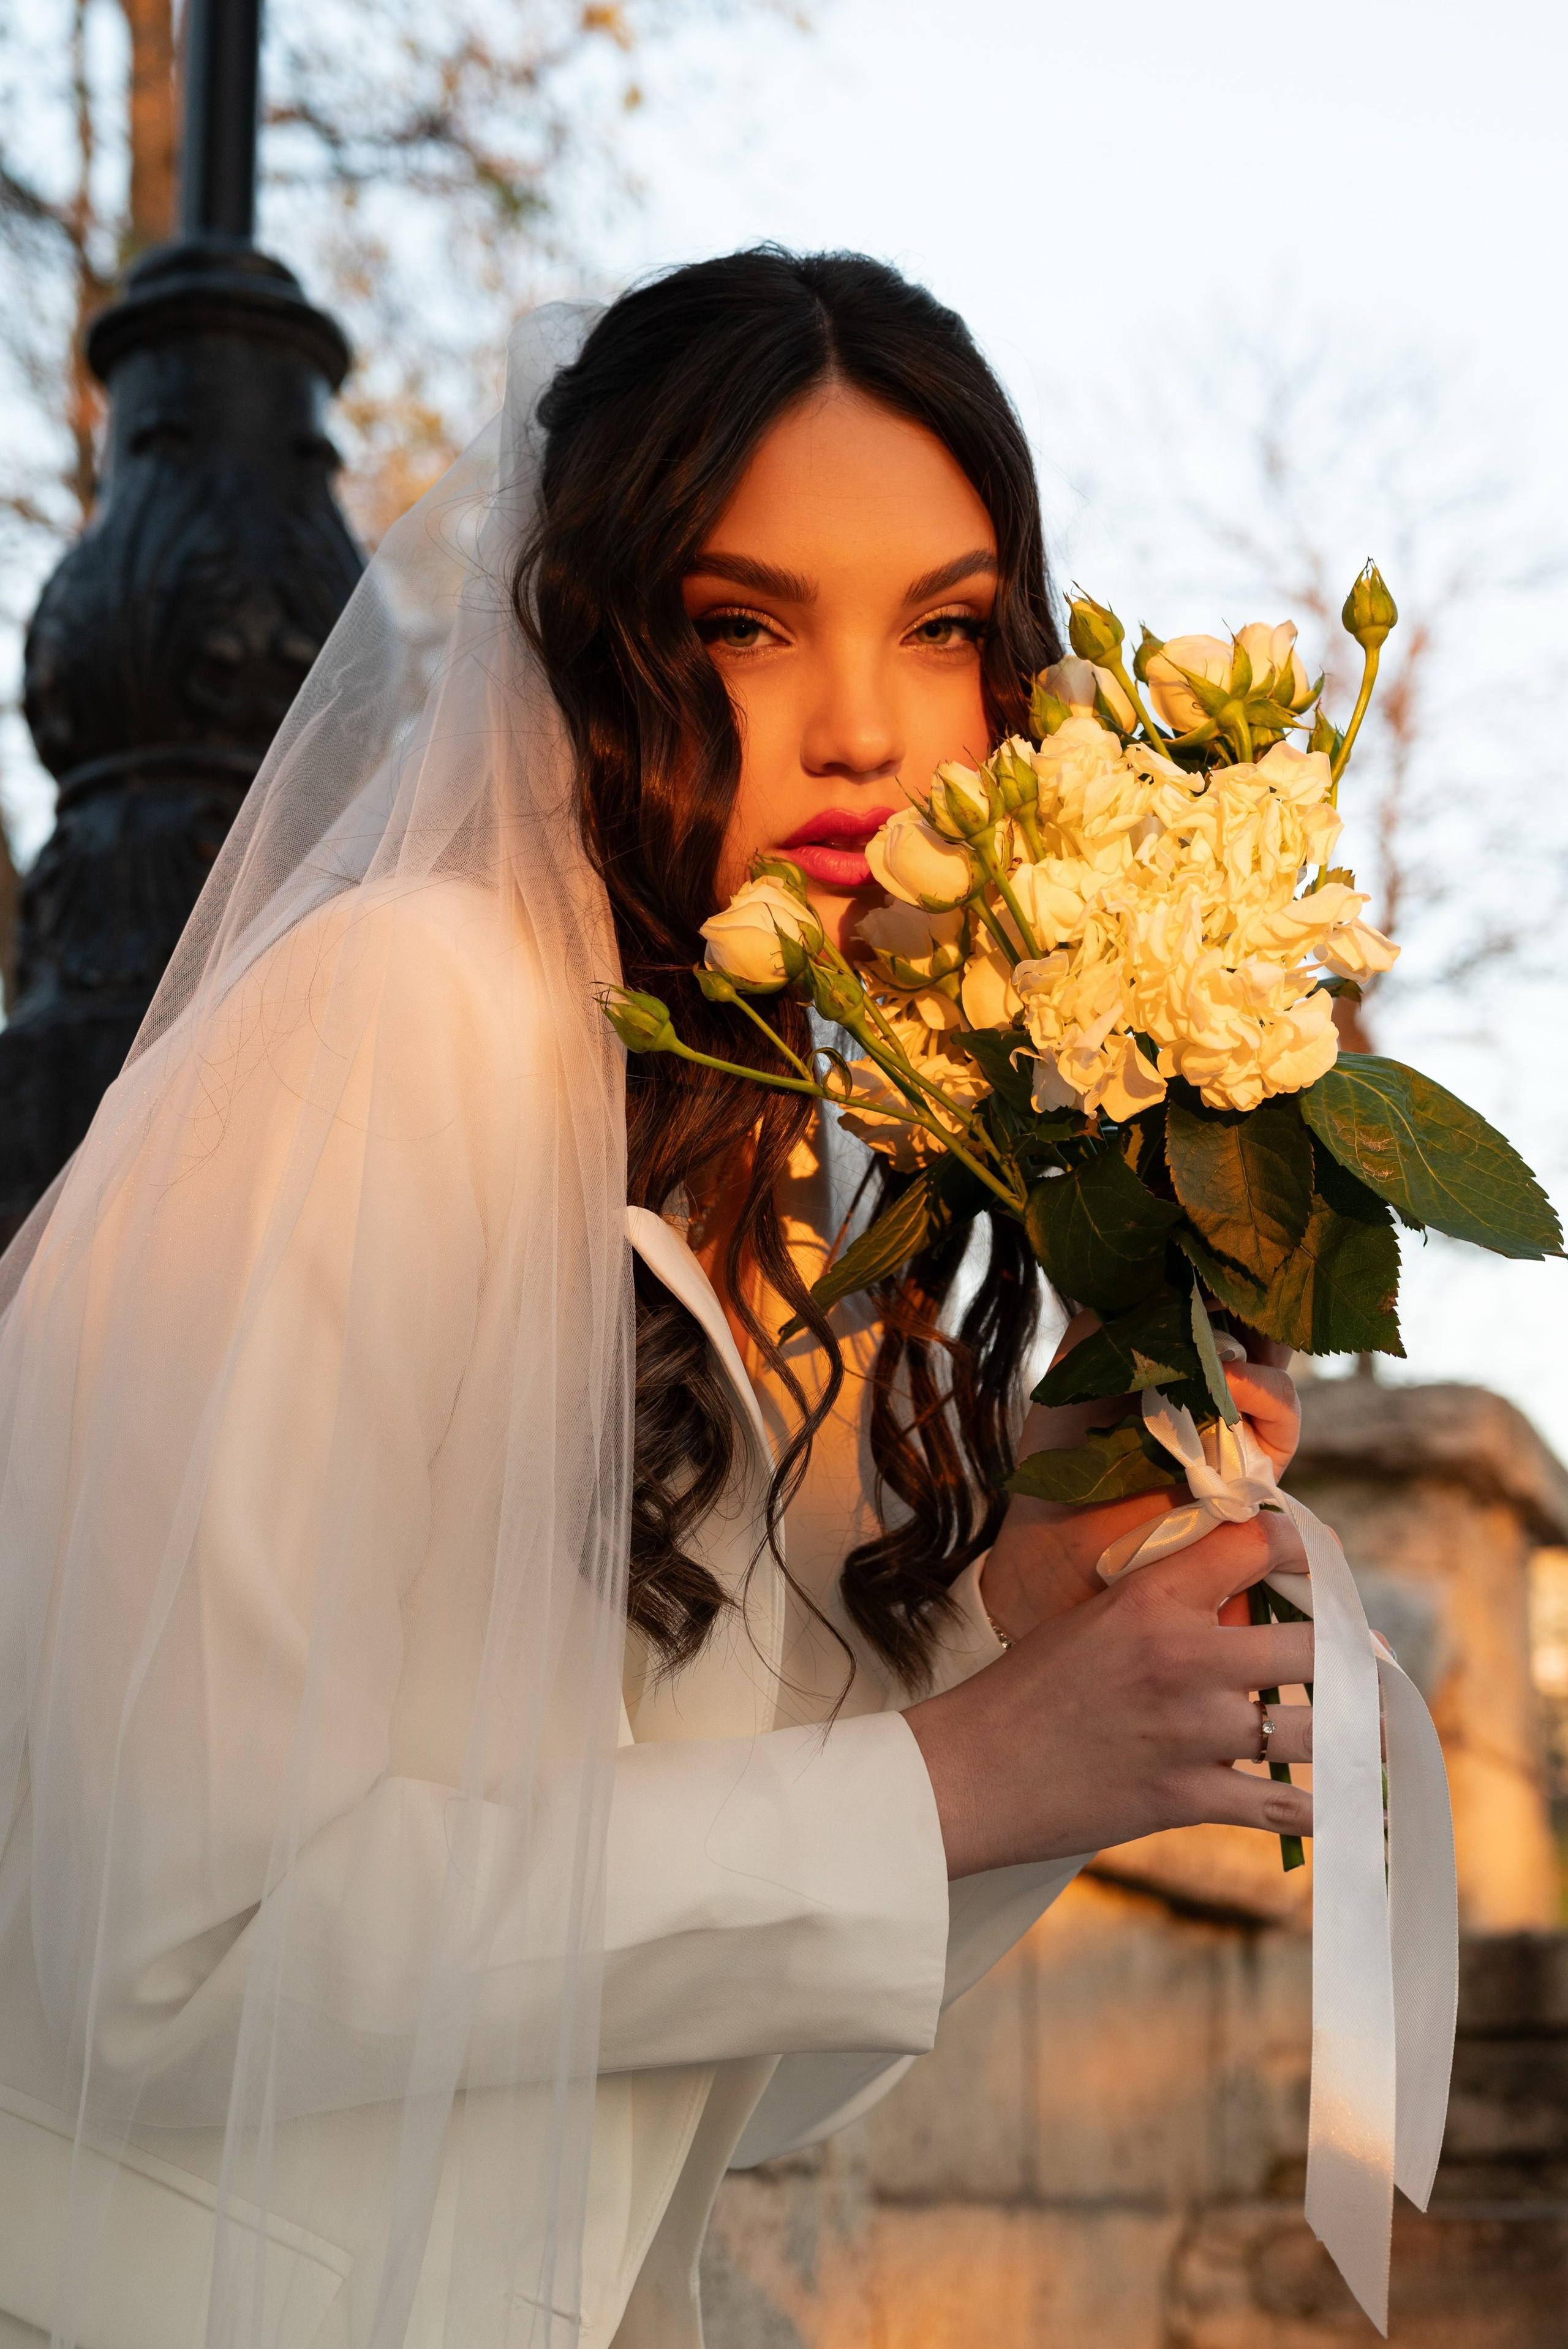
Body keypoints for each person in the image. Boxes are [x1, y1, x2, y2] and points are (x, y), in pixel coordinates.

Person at [0, 251, 1312, 2349]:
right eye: (745, 621)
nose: (867, 729)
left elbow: (733, 2075)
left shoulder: (784, 1182)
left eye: (945, 628)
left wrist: (1025, 1614)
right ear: (596, 638)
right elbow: (157, 1945)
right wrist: (961, 1771)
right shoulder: (397, 1018)